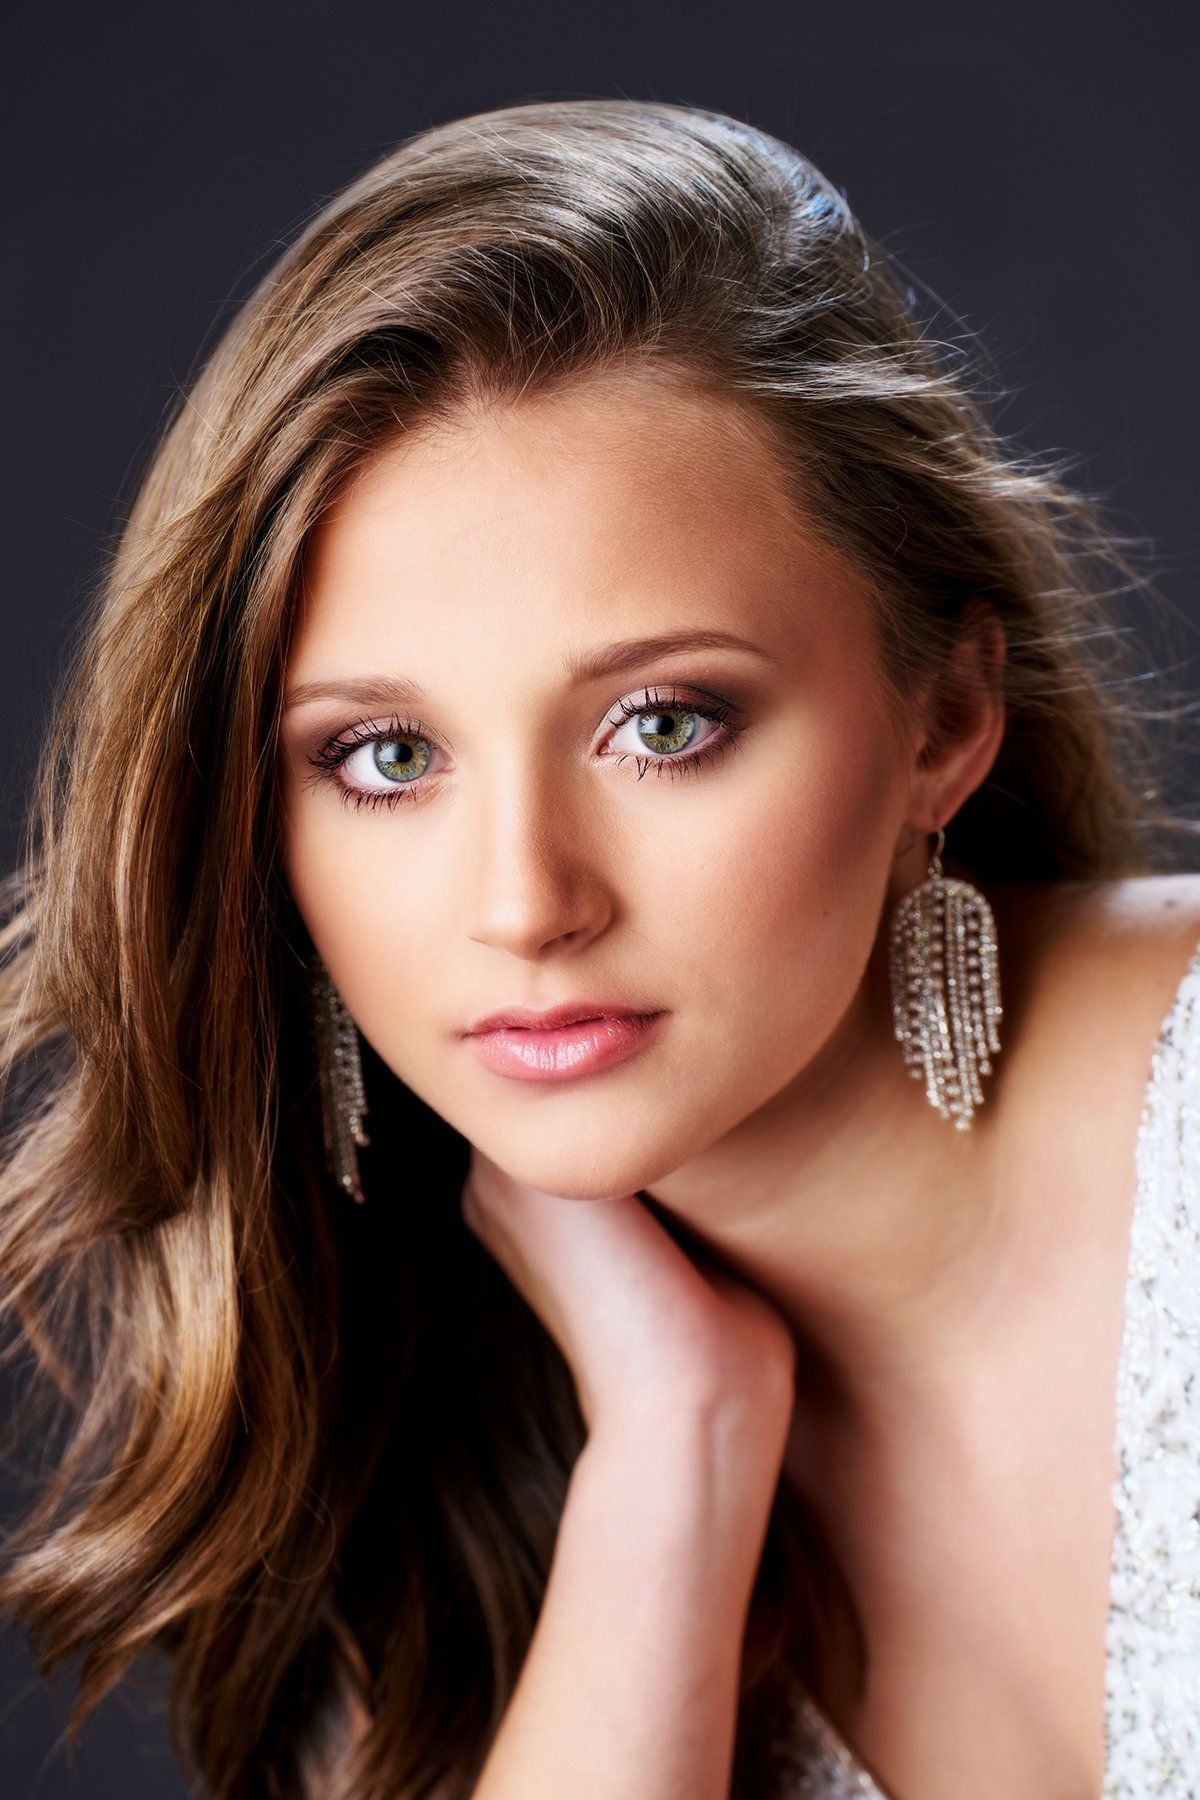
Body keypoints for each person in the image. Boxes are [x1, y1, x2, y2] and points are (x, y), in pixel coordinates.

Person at [0, 96, 1196, 1800]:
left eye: (662, 723)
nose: (526, 901)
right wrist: (676, 1441)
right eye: (386, 758)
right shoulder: (471, 1477)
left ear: (943, 716)